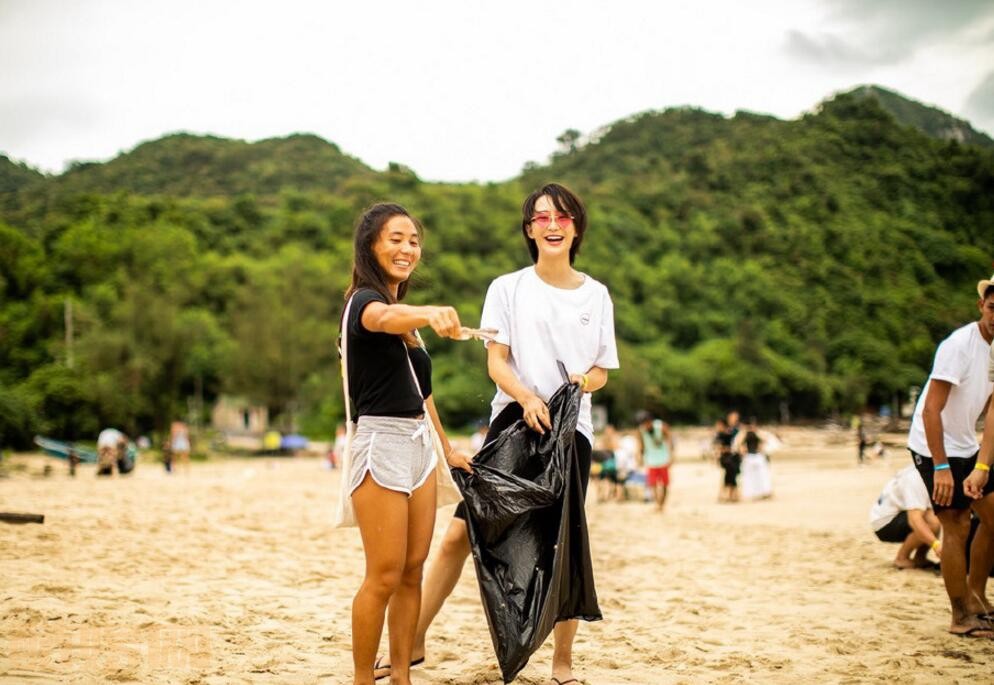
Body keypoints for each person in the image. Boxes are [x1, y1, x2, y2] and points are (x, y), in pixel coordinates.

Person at [374, 183, 618, 685]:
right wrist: (528, 397)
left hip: (571, 434)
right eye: (541, 218)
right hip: (512, 424)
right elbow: (496, 362)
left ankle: (563, 664)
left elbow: (601, 372)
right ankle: (414, 640)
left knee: (564, 545)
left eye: (563, 217)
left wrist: (580, 383)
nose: (553, 225)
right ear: (529, 229)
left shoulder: (597, 294)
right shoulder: (507, 287)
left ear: (576, 227)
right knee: (461, 533)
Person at [341, 202, 473, 685]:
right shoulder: (363, 303)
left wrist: (448, 448)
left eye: (414, 240)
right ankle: (361, 678)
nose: (407, 248)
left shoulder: (411, 332)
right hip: (379, 444)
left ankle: (400, 676)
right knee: (383, 574)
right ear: (372, 245)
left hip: (419, 447)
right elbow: (381, 318)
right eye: (395, 238)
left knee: (412, 571)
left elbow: (424, 397)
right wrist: (428, 313)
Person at [907, 275, 994, 637]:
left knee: (992, 517)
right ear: (982, 306)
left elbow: (993, 413)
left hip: (966, 442)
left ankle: (976, 596)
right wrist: (941, 466)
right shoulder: (958, 345)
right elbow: (931, 410)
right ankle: (960, 614)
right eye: (993, 308)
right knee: (955, 522)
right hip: (932, 443)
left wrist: (983, 466)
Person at [870, 465, 941, 569]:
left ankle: (920, 557)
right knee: (931, 521)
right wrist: (936, 545)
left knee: (933, 516)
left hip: (891, 514)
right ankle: (901, 558)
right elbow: (915, 520)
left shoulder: (922, 469)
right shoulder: (916, 478)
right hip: (883, 523)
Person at [636, 411, 674, 512]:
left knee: (665, 484)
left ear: (650, 421)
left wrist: (671, 455)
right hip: (651, 460)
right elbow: (640, 444)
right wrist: (640, 457)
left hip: (663, 459)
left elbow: (670, 438)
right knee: (653, 484)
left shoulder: (661, 426)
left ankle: (662, 503)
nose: (645, 425)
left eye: (646, 423)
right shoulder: (641, 430)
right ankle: (658, 503)